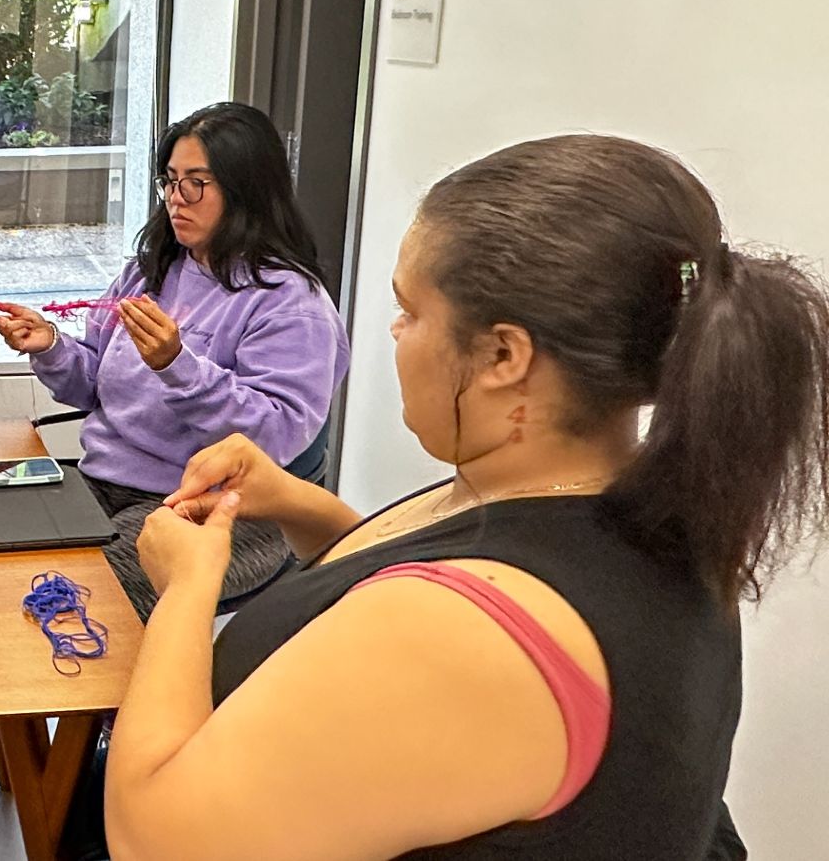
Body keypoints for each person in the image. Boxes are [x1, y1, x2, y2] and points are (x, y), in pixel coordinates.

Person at [105, 134, 827, 859]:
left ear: (503, 356)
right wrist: (299, 503)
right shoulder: (628, 498)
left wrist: (186, 591)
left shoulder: (466, 633)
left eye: (410, 311)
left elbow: (153, 839)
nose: (395, 331)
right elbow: (418, 575)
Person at [0, 102, 349, 616]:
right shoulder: (152, 270)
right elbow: (94, 386)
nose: (177, 200)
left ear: (246, 190)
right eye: (171, 181)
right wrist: (52, 346)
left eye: (196, 183)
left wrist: (179, 367)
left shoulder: (289, 301)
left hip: (217, 508)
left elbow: (274, 440)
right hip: (105, 484)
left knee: (68, 601)